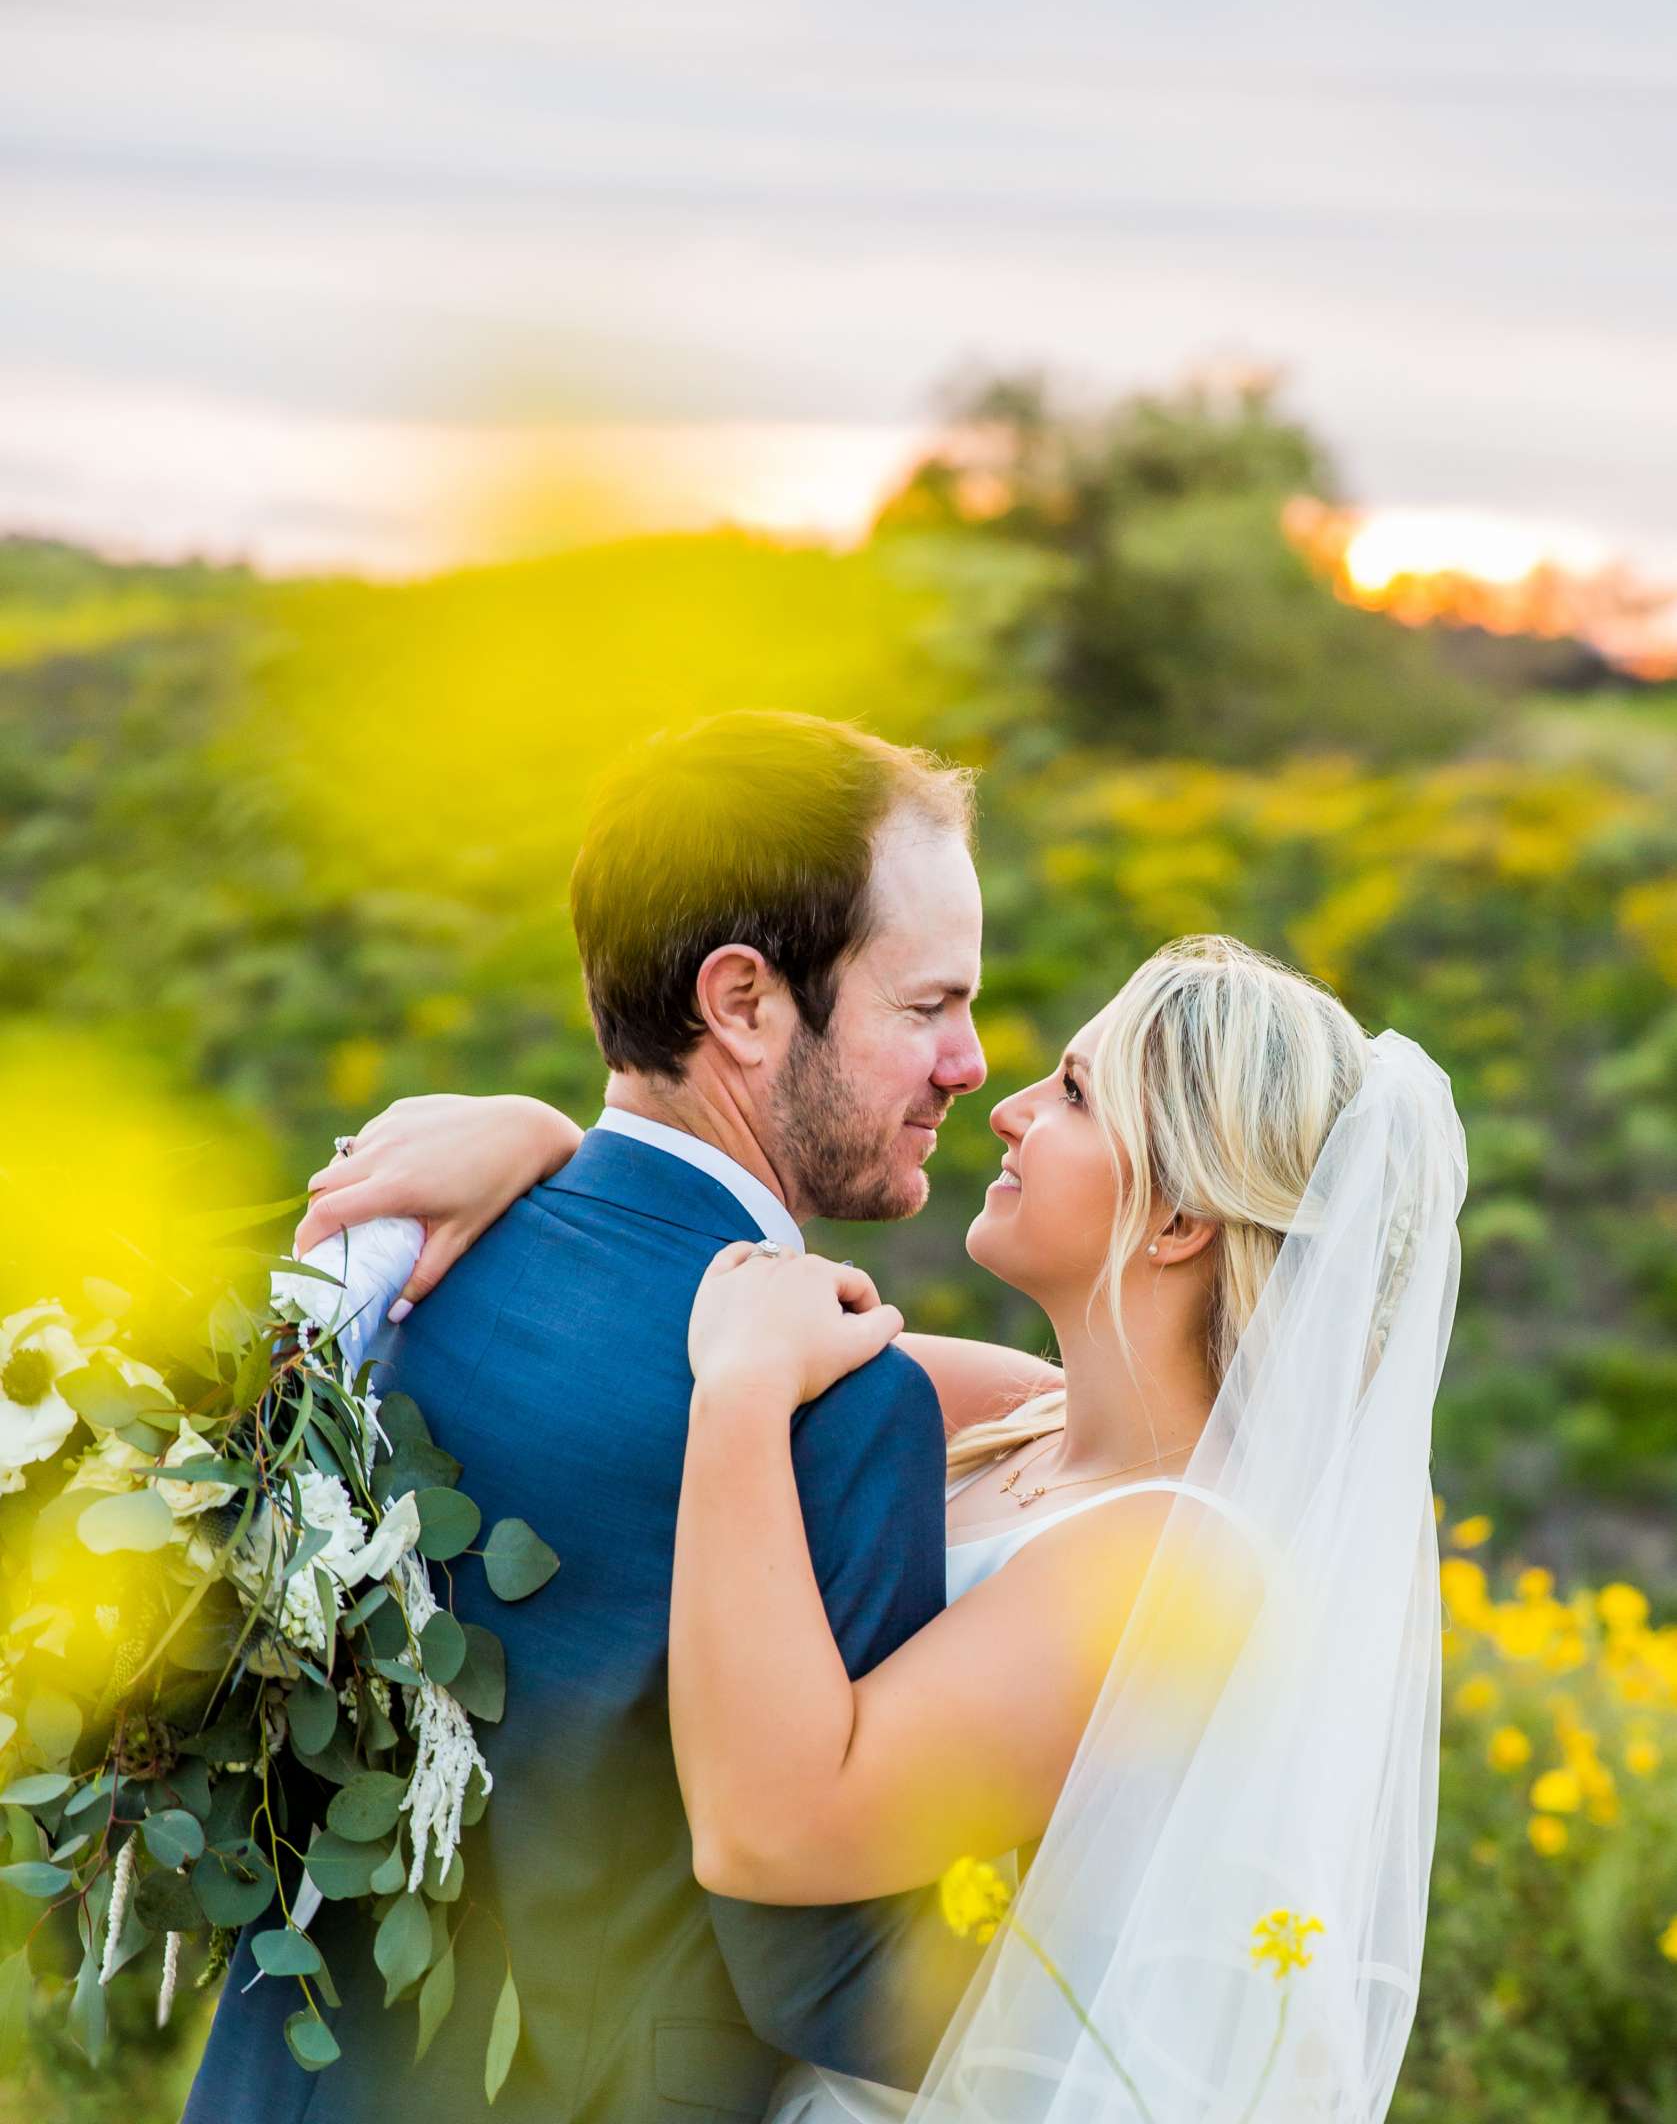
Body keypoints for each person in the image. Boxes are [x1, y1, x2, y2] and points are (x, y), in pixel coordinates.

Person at [328, 935, 1466, 2122]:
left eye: (1075, 1095)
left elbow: (775, 1834)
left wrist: (743, 1400)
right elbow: (674, 1325)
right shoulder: (1015, 1413)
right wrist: (542, 1140)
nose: (1012, 1110)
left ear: (1178, 1219)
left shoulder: (1178, 1569)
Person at [183, 708, 1024, 2124]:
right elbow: (823, 1975)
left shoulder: (411, 1261)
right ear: (744, 1004)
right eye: (928, 1008)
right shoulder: (833, 1416)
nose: (971, 1062)